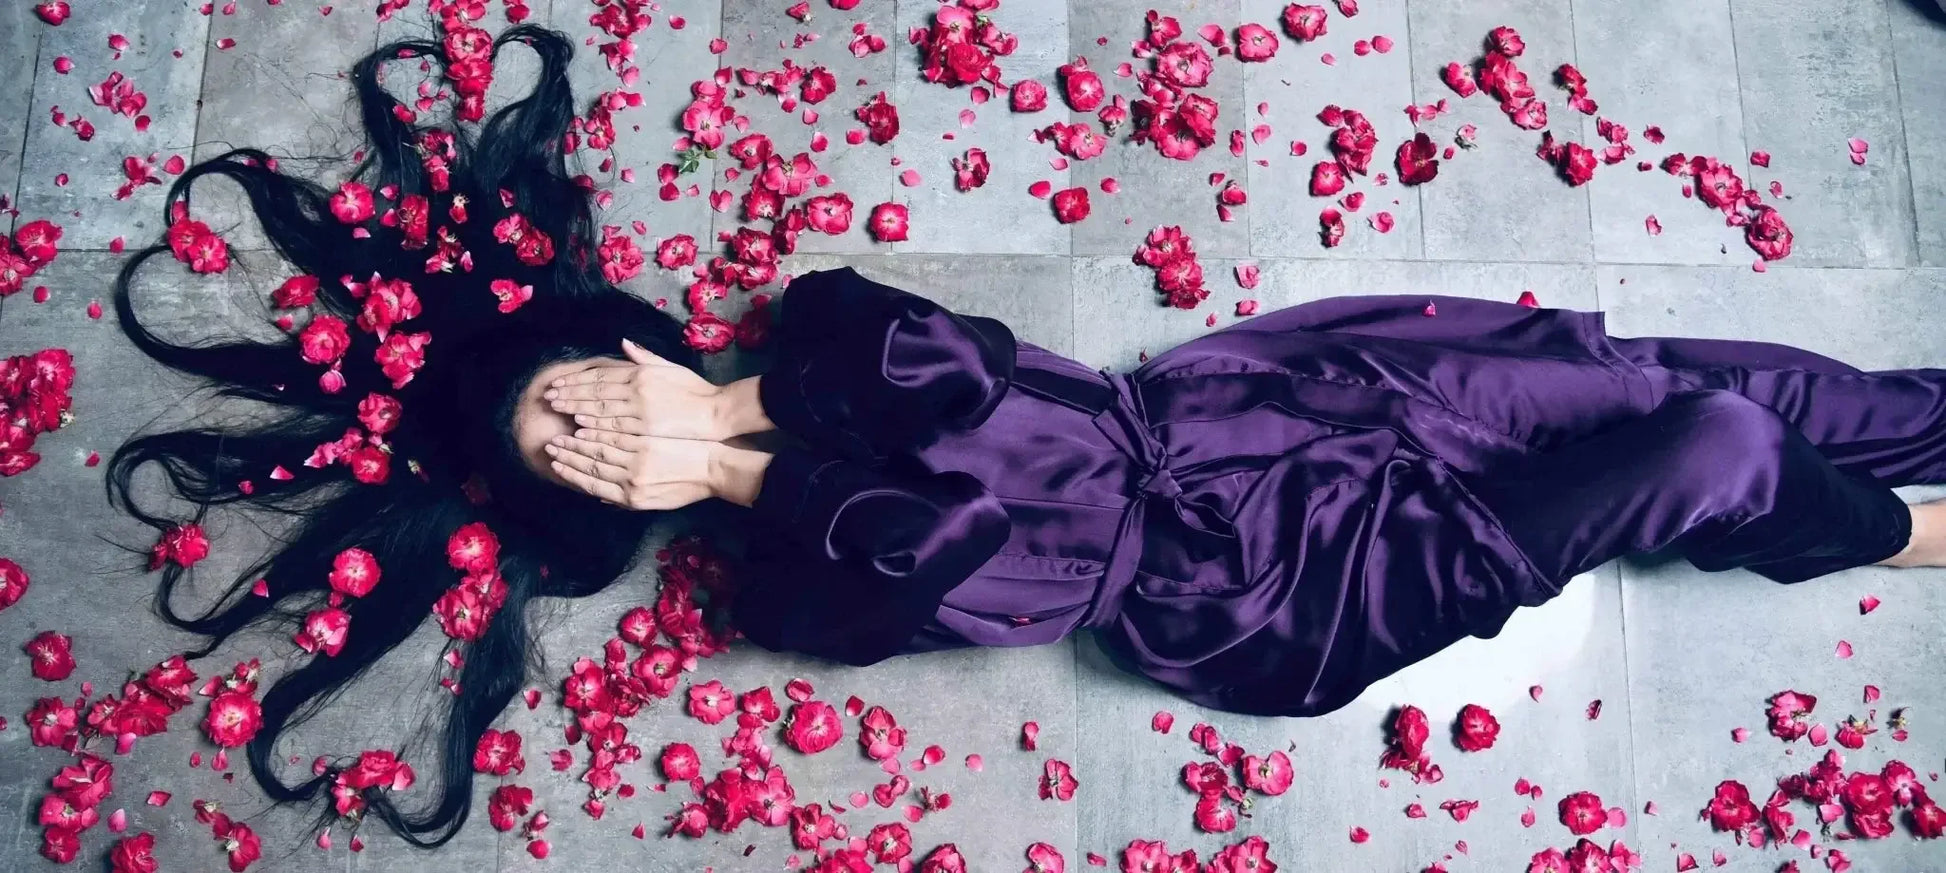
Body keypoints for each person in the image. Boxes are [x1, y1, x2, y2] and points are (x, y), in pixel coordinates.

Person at [111, 25, 1945, 848]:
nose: (596, 430)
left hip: (1264, 403)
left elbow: (946, 361)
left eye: (577, 392)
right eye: (566, 454)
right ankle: (1913, 536)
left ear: (612, 343)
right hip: (1272, 585)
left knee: (1707, 378)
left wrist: (730, 407)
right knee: (1697, 445)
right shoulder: (789, 580)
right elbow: (988, 566)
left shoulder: (815, 333)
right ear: (571, 508)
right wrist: (737, 469)